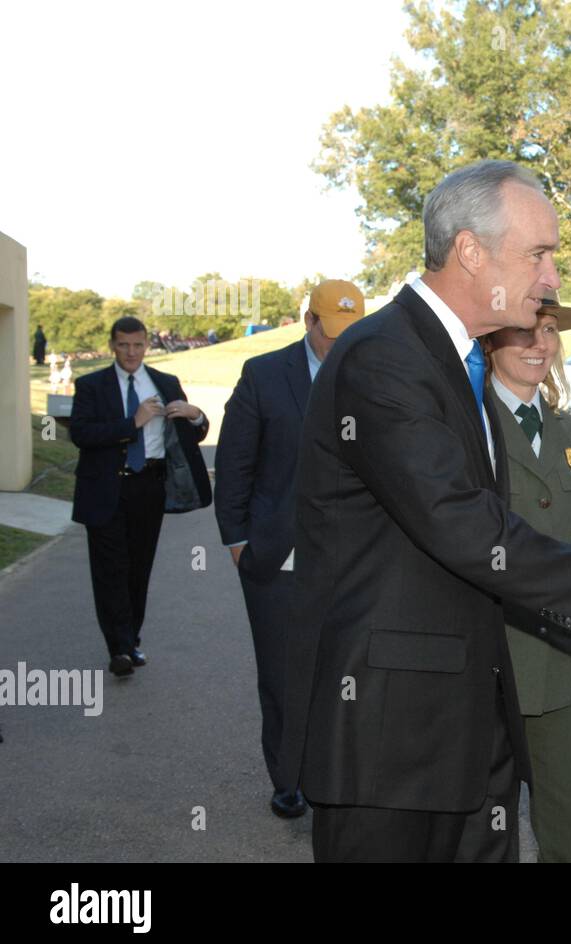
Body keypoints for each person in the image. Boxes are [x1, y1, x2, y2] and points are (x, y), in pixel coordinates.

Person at [280, 159, 571, 863]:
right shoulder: (385, 357)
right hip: (393, 746)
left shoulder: (451, 360)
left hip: (471, 736)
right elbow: (463, 522)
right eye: (539, 253)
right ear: (471, 250)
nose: (552, 277)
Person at [482, 295, 571, 862]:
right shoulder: (469, 426)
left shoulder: (569, 432)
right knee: (477, 829)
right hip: (490, 663)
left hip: (563, 664)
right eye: (524, 331)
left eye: (548, 331)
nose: (540, 343)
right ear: (491, 340)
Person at [215, 279, 365, 821]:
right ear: (308, 322)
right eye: (331, 332)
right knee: (282, 674)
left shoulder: (370, 375)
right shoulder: (264, 376)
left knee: (342, 672)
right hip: (277, 559)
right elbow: (234, 464)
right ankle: (289, 778)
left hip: (352, 560)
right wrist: (238, 543)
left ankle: (332, 770)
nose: (341, 343)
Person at [69, 316, 212, 677]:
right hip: (105, 487)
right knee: (109, 570)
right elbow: (81, 434)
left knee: (138, 568)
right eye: (123, 345)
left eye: (137, 345)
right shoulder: (91, 385)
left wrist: (195, 416)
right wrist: (131, 423)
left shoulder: (164, 382)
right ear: (112, 345)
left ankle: (131, 640)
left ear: (146, 345)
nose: (131, 352)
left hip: (149, 486)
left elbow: (190, 435)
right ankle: (118, 648)